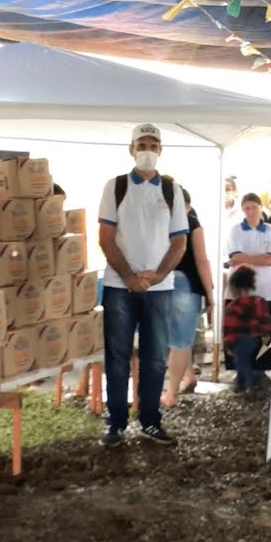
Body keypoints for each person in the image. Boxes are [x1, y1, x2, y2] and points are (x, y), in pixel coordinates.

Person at [98, 124, 188, 447]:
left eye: (152, 145)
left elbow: (179, 242)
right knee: (117, 357)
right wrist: (129, 277)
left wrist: (159, 276)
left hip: (159, 290)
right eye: (141, 144)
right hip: (118, 286)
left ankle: (150, 421)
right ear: (131, 149)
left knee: (155, 359)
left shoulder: (171, 190)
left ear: (160, 150)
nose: (147, 150)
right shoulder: (116, 187)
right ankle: (116, 423)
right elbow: (106, 238)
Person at [163, 187, 215, 406]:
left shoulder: (158, 223)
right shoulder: (192, 223)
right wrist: (210, 294)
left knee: (175, 337)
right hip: (187, 282)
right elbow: (202, 259)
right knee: (181, 340)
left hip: (163, 281)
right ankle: (171, 394)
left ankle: (188, 378)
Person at [227, 193, 271, 370]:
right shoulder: (236, 230)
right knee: (240, 326)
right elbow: (234, 255)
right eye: (247, 208)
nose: (251, 212)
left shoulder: (269, 229)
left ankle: (263, 367)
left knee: (264, 327)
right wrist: (259, 259)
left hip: (265, 285)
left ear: (260, 207)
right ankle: (240, 367)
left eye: (254, 207)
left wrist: (244, 259)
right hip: (241, 284)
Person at [222, 266, 271, 394]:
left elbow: (229, 328)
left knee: (241, 362)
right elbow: (266, 322)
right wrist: (265, 336)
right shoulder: (260, 302)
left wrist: (228, 345)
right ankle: (241, 384)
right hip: (257, 339)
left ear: (234, 287)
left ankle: (252, 383)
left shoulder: (233, 306)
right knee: (245, 361)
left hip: (240, 340)